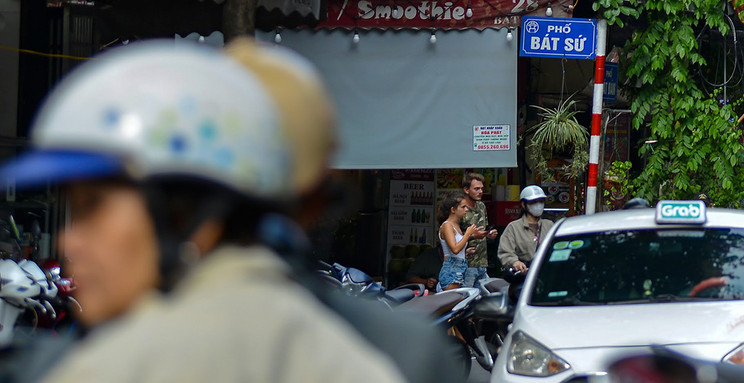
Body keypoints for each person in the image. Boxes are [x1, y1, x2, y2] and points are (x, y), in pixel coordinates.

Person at [0, 39, 403, 383]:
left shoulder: (125, 367)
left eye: (93, 208)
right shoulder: (340, 353)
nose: (70, 239)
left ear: (195, 218)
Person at [499, 184, 552, 275]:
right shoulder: (513, 227)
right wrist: (515, 262)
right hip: (524, 276)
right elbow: (505, 253)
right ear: (524, 204)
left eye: (541, 201)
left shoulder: (550, 225)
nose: (538, 205)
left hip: (547, 275)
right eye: (534, 202)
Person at [437, 191, 477, 289]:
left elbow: (455, 249)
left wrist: (465, 252)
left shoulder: (456, 226)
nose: (466, 209)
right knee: (454, 302)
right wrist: (467, 234)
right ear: (453, 210)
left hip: (459, 269)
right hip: (451, 271)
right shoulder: (447, 225)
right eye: (463, 207)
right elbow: (455, 249)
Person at [461, 171, 492, 280]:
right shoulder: (460, 209)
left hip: (482, 263)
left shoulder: (481, 206)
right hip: (466, 264)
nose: (480, 191)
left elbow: (482, 230)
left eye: (482, 189)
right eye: (476, 189)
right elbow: (451, 237)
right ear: (466, 190)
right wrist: (473, 236)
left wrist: (488, 234)